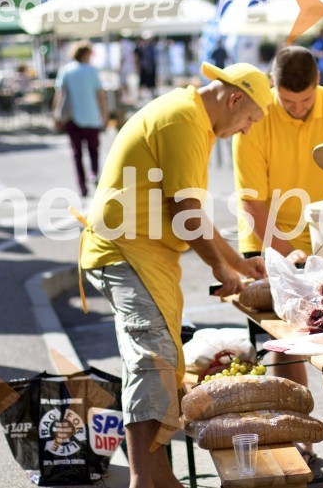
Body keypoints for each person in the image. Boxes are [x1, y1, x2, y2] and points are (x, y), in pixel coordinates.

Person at [80, 62, 271, 488]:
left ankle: (159, 477)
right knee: (151, 362)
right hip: (126, 251)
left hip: (142, 254)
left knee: (161, 363)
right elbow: (185, 212)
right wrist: (220, 267)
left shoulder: (192, 116)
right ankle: (143, 480)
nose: (246, 130)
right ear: (235, 98)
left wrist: (239, 264)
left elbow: (191, 214)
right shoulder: (185, 118)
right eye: (249, 120)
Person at [233, 46, 323, 462]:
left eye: (305, 100)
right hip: (267, 238)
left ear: (318, 84)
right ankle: (297, 440)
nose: (297, 108)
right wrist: (292, 256)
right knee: (283, 345)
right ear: (273, 87)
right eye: (288, 102)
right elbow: (254, 204)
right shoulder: (253, 119)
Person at [53, 42, 109, 197]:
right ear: (85, 54)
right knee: (93, 150)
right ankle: (94, 175)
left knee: (77, 153)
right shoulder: (92, 71)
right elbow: (100, 94)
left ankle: (82, 185)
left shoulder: (66, 70)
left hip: (72, 117)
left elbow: (59, 94)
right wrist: (105, 113)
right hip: (91, 116)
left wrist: (56, 114)